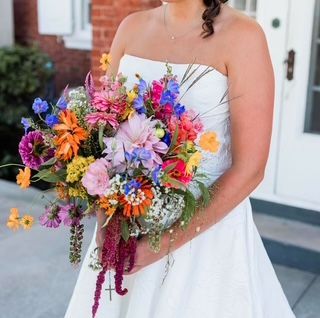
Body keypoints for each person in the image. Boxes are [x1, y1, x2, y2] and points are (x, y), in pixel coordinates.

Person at [65, 1, 296, 317]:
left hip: (205, 237)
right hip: (126, 224)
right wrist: (107, 221)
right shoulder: (131, 27)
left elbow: (250, 168)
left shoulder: (244, 36)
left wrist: (162, 244)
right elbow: (105, 130)